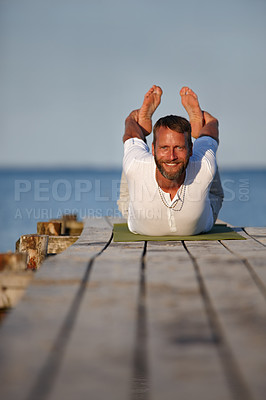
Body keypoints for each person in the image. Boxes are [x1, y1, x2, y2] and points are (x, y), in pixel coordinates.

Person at [117, 85, 224, 236]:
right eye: (164, 148)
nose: (171, 156)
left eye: (179, 148)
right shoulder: (136, 165)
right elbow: (130, 135)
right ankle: (140, 119)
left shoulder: (203, 166)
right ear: (153, 150)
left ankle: (194, 124)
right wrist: (132, 120)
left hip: (205, 213)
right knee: (131, 164)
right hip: (135, 210)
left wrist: (205, 120)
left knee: (207, 158)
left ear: (191, 150)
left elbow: (211, 132)